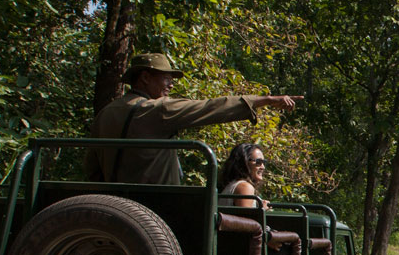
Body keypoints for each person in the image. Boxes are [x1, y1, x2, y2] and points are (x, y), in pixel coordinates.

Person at [84, 53, 303, 184]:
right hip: (154, 208)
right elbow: (210, 107)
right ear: (144, 77)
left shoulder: (106, 113)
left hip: (112, 206)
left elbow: (92, 170)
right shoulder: (157, 109)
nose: (171, 85)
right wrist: (264, 100)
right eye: (167, 78)